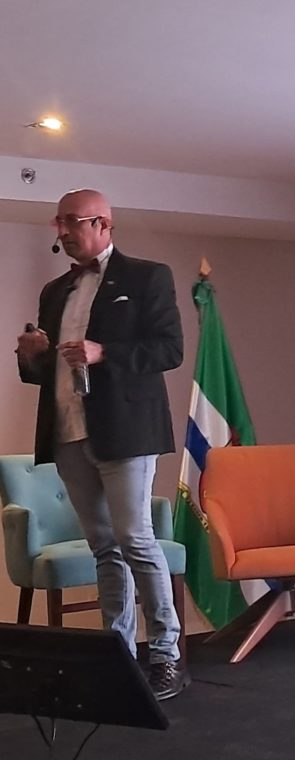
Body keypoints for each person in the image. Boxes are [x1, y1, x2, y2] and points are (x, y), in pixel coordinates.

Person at [15, 189, 189, 700]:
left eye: (73, 221)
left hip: (126, 432)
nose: (64, 231)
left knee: (135, 539)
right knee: (104, 547)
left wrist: (103, 351)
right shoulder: (56, 290)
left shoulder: (147, 277)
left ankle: (166, 654)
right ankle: (118, 654)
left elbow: (170, 349)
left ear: (103, 224)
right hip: (68, 431)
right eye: (59, 221)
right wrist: (32, 356)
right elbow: (47, 372)